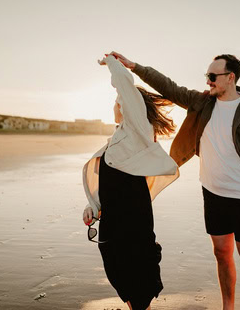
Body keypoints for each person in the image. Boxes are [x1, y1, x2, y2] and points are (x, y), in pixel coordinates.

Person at [109, 51, 240, 310]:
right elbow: (169, 87)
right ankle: (228, 307)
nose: (208, 81)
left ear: (230, 77)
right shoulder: (202, 103)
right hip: (212, 194)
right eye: (207, 76)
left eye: (213, 76)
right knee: (222, 256)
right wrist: (135, 67)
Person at [82, 54, 179, 310]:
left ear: (127, 105)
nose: (116, 106)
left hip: (132, 216)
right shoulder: (119, 137)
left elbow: (125, 85)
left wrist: (111, 62)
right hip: (113, 216)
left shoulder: (137, 129)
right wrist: (93, 205)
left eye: (119, 102)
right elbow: (107, 179)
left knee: (136, 270)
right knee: (115, 266)